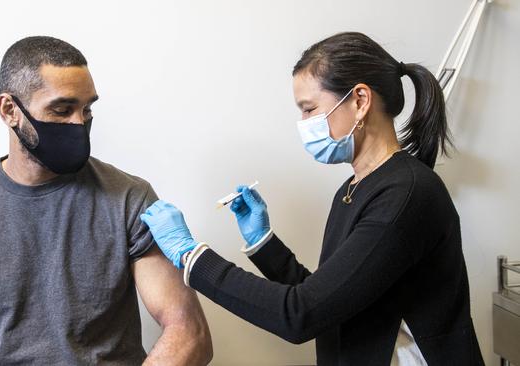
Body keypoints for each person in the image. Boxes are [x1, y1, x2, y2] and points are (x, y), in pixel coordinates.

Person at [140, 32, 484, 365]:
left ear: (360, 101)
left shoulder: (407, 194)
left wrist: (191, 257)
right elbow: (329, 300)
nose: (303, 123)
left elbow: (301, 314)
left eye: (309, 109)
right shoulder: (354, 189)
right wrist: (264, 244)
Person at [0, 36, 212, 365]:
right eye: (62, 109)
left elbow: (188, 332)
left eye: (87, 108)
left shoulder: (128, 199)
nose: (79, 123)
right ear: (10, 111)